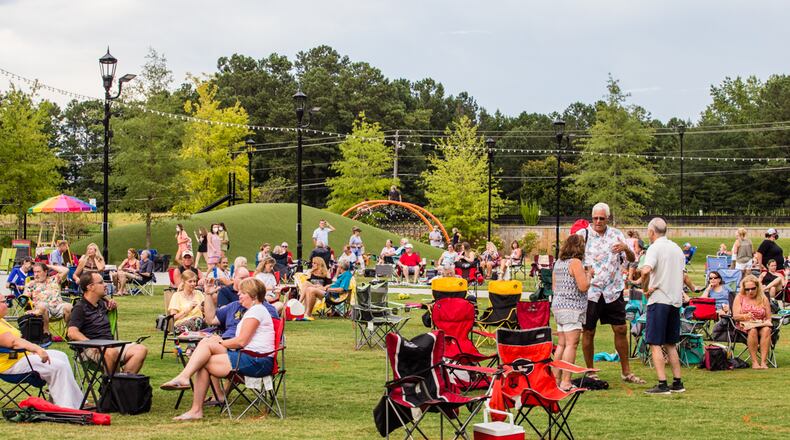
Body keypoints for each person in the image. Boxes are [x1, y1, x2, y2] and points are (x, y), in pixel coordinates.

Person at [161, 278, 275, 421]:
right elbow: (211, 319)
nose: (238, 294)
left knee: (206, 354)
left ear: (254, 295)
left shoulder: (256, 311)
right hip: (249, 356)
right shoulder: (253, 310)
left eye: (242, 292)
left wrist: (221, 342)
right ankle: (190, 395)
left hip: (257, 361)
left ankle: (192, 397)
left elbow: (241, 341)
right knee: (208, 345)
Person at [576, 203, 642, 385]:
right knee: (588, 331)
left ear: (608, 218)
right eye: (595, 218)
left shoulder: (616, 235)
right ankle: (590, 372)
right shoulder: (582, 236)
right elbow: (571, 260)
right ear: (591, 218)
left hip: (613, 290)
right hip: (591, 292)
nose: (598, 221)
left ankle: (626, 371)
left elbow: (631, 260)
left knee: (621, 329)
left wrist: (626, 249)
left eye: (602, 218)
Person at [0, 299, 82, 409]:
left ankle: (77, 402)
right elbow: (14, 342)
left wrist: (34, 349)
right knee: (58, 366)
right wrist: (37, 349)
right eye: (3, 302)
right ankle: (66, 406)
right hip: (10, 366)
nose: (7, 304)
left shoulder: (2, 321)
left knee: (61, 356)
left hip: (21, 357)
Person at [638, 217, 685, 394]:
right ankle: (678, 382)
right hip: (675, 301)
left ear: (651, 232)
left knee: (654, 343)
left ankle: (662, 383)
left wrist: (645, 288)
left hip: (659, 299)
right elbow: (682, 274)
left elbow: (646, 270)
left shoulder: (654, 248)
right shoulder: (677, 249)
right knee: (671, 343)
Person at [68, 272, 147, 374]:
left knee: (140, 350)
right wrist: (92, 344)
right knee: (111, 353)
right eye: (101, 282)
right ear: (91, 287)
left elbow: (107, 303)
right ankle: (112, 386)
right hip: (90, 350)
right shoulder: (80, 308)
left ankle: (123, 384)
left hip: (110, 345)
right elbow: (72, 332)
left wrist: (110, 303)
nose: (105, 285)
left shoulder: (101, 304)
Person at [551, 234, 593, 391]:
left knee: (561, 345)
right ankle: (566, 381)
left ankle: (556, 379)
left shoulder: (558, 263)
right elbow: (583, 286)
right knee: (571, 345)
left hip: (558, 306)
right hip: (572, 308)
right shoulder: (575, 262)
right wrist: (588, 275)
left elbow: (555, 287)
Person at [732, 275, 773, 369]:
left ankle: (763, 362)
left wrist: (765, 322)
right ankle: (754, 362)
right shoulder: (739, 297)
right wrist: (745, 316)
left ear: (757, 287)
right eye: (747, 289)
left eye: (753, 288)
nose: (750, 291)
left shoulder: (763, 298)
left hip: (761, 323)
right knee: (753, 330)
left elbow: (769, 317)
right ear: (744, 289)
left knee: (767, 330)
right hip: (744, 325)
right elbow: (735, 316)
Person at [23, 263, 71, 337]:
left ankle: (70, 333)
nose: (36, 274)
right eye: (34, 272)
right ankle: (46, 333)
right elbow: (24, 299)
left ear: (45, 272)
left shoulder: (54, 279)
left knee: (69, 306)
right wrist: (29, 303)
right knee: (43, 305)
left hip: (58, 307)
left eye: (38, 272)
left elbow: (66, 270)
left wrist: (49, 266)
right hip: (42, 310)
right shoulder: (31, 284)